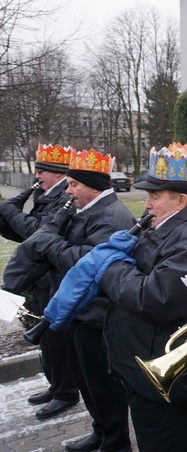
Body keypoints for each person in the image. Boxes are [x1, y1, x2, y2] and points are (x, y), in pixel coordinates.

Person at [97, 144, 187, 451]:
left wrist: (108, 267)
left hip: (160, 370)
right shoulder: (172, 226)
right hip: (143, 359)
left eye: (155, 196)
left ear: (181, 200)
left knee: (166, 441)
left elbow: (153, 298)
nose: (147, 204)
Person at [4, 148, 135, 451]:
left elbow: (86, 263)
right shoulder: (84, 209)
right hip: (78, 312)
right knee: (86, 383)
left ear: (92, 186)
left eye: (74, 184)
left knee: (103, 387)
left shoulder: (114, 216)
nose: (68, 189)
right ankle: (100, 432)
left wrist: (50, 244)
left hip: (97, 316)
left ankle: (115, 442)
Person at [0, 144, 78, 416]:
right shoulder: (46, 193)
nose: (36, 175)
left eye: (41, 170)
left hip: (53, 276)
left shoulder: (63, 197)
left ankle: (67, 391)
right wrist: (7, 216)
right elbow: (25, 236)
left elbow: (38, 232)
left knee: (55, 338)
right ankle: (55, 384)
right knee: (45, 340)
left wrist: (12, 213)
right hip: (40, 276)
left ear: (58, 175)